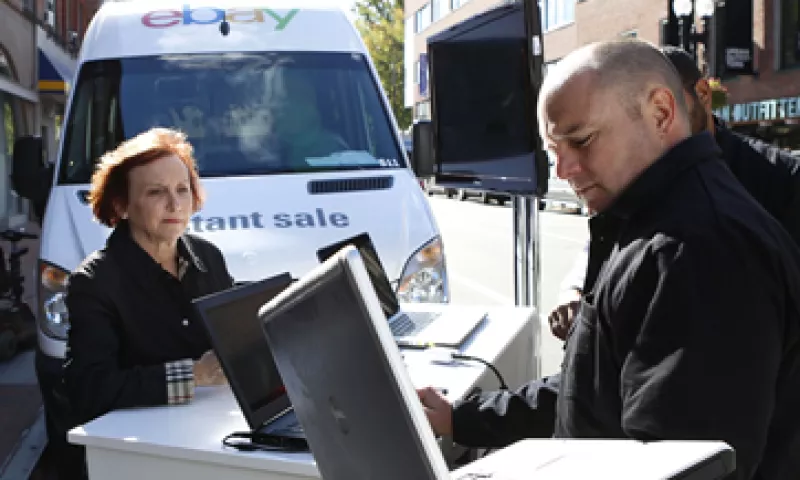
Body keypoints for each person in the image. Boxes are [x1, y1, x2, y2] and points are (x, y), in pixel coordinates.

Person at [417, 39, 800, 480]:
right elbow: (596, 388)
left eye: (581, 141)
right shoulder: (657, 224)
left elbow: (675, 467)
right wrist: (460, 417)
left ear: (661, 113)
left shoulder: (696, 250)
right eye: (554, 151)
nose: (563, 170)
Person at [548, 45, 800, 341]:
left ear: (700, 95)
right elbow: (606, 242)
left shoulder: (781, 177)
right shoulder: (638, 173)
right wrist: (576, 290)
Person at [60, 128, 235, 477]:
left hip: (219, 440)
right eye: (156, 192)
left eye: (182, 189)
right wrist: (194, 375)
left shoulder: (209, 256)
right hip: (143, 456)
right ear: (120, 205)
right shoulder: (93, 282)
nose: (175, 204)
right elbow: (88, 388)